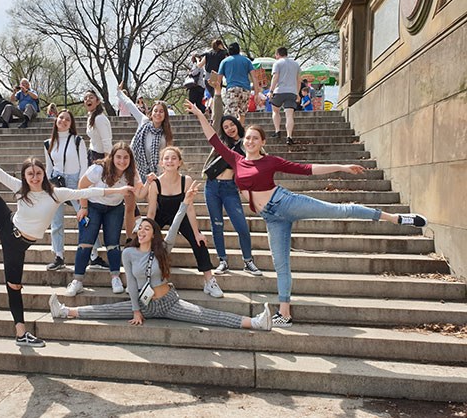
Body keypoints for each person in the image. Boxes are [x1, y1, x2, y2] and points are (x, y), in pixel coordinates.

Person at [186, 99, 428, 327]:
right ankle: (285, 314)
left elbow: (307, 169)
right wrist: (199, 114)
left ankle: (395, 218)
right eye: (248, 138)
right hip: (271, 218)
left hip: (285, 203)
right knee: (281, 264)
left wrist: (341, 167)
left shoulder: (271, 161)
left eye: (255, 138)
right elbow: (213, 139)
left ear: (262, 142)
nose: (250, 141)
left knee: (339, 211)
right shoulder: (236, 160)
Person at [0, 134, 133, 347]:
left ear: (44, 174)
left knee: (14, 285)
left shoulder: (56, 194)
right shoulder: (20, 188)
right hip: (9, 230)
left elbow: (87, 191)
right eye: (30, 174)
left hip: (18, 241)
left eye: (38, 173)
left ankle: (20, 335)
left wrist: (118, 190)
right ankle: (21, 333)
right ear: (24, 176)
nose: (35, 177)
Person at [49, 182, 272, 332]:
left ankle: (255, 322)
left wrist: (186, 202)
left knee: (208, 315)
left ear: (154, 233)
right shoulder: (129, 253)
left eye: (147, 228)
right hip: (143, 304)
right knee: (106, 310)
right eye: (140, 228)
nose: (142, 231)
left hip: (169, 303)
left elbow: (175, 224)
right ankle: (64, 311)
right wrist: (136, 310)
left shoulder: (162, 248)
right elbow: (132, 285)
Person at [67, 142, 154, 297]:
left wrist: (148, 182)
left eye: (126, 157)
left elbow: (139, 194)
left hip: (114, 208)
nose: (122, 161)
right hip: (93, 205)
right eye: (118, 157)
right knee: (86, 242)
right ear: (112, 157)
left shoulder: (131, 173)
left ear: (130, 159)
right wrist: (83, 207)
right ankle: (77, 280)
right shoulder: (99, 169)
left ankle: (115, 277)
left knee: (113, 243)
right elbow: (82, 185)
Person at [147, 146, 223, 298]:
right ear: (161, 163)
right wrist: (147, 230)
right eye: (166, 158)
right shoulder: (155, 183)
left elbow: (189, 208)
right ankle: (145, 280)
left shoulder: (186, 180)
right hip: (161, 215)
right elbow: (152, 211)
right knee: (146, 243)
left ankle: (209, 281)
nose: (170, 161)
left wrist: (196, 233)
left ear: (179, 162)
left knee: (199, 241)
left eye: (173, 158)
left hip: (181, 215)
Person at [202, 89, 261, 276]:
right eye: (225, 127)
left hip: (229, 189)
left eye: (231, 125)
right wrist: (216, 95)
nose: (229, 129)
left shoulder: (246, 143)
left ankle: (248, 261)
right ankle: (222, 261)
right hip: (212, 187)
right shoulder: (221, 143)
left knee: (241, 226)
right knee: (216, 225)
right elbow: (216, 117)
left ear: (237, 124)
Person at [116, 83, 173, 239]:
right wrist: (119, 93)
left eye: (161, 111)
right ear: (151, 112)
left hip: (154, 174)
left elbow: (166, 157)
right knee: (130, 203)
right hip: (134, 169)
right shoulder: (143, 122)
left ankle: (151, 233)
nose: (158, 113)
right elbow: (130, 105)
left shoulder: (166, 133)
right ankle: (133, 232)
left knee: (154, 205)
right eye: (156, 110)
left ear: (165, 114)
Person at [44, 109, 88, 271]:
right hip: (56, 182)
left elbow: (84, 165)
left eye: (67, 119)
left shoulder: (77, 140)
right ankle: (59, 256)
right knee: (56, 222)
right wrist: (46, 187)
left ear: (71, 124)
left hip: (75, 181)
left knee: (84, 218)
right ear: (56, 119)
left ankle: (93, 254)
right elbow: (49, 167)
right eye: (61, 117)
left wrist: (82, 187)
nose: (63, 121)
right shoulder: (48, 143)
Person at [84, 89, 113, 269]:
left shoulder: (101, 118)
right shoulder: (91, 117)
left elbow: (107, 141)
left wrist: (107, 164)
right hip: (93, 156)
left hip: (102, 158)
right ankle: (93, 252)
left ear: (98, 100)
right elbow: (93, 140)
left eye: (91, 97)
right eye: (85, 98)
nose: (88, 100)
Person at [217, 42, 262, 125]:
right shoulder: (247, 61)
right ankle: (240, 129)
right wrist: (256, 93)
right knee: (242, 113)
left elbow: (218, 80)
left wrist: (217, 93)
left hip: (232, 89)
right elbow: (254, 77)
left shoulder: (224, 61)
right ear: (239, 50)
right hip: (246, 90)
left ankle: (231, 131)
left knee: (230, 113)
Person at [268, 47, 301, 145]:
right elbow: (298, 80)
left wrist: (271, 91)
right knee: (289, 115)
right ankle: (289, 136)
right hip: (292, 92)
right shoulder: (296, 64)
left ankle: (277, 131)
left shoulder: (277, 63)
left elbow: (275, 77)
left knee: (275, 111)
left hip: (279, 91)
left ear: (278, 54)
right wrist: (297, 93)